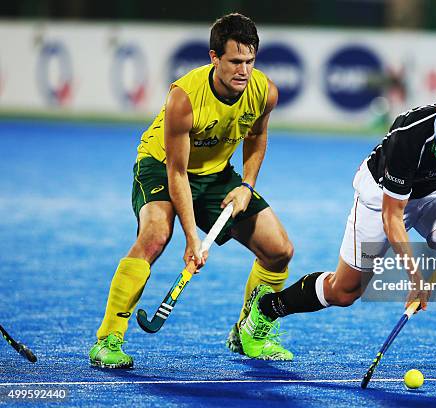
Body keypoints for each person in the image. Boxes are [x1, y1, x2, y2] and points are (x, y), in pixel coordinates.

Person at [239, 72, 436, 387]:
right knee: (344, 291)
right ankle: (265, 308)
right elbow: (393, 216)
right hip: (382, 199)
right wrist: (415, 278)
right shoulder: (409, 136)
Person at [89, 13, 294, 368]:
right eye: (234, 62)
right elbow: (178, 171)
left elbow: (257, 137)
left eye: (250, 61)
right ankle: (108, 338)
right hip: (162, 164)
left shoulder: (265, 92)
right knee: (155, 235)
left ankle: (250, 331)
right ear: (214, 58)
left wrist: (247, 185)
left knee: (279, 250)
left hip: (216, 174)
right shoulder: (184, 99)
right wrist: (190, 239)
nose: (243, 71)